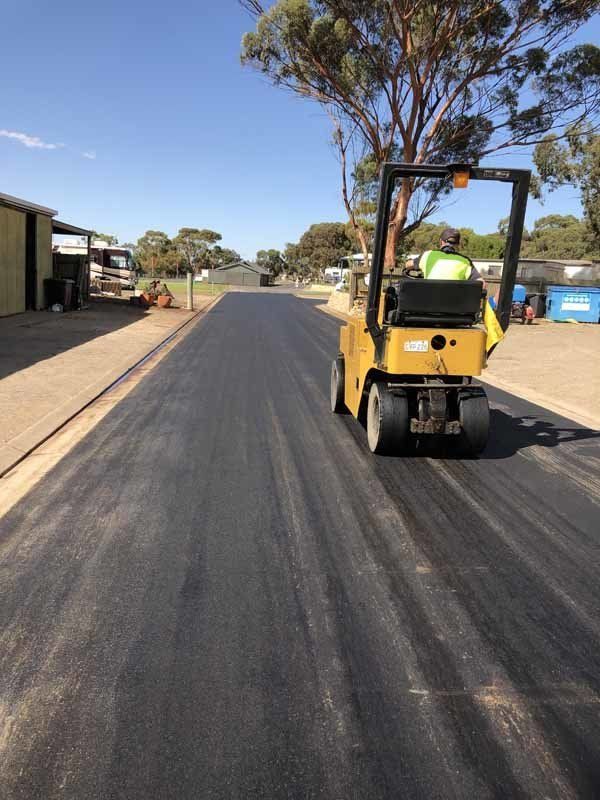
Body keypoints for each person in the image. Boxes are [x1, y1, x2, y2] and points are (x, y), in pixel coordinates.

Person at [405, 228, 483, 282]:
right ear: (457, 244)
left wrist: (408, 263)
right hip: (455, 301)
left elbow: (408, 265)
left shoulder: (428, 255)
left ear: (441, 241)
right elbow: (481, 283)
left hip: (429, 300)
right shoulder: (465, 261)